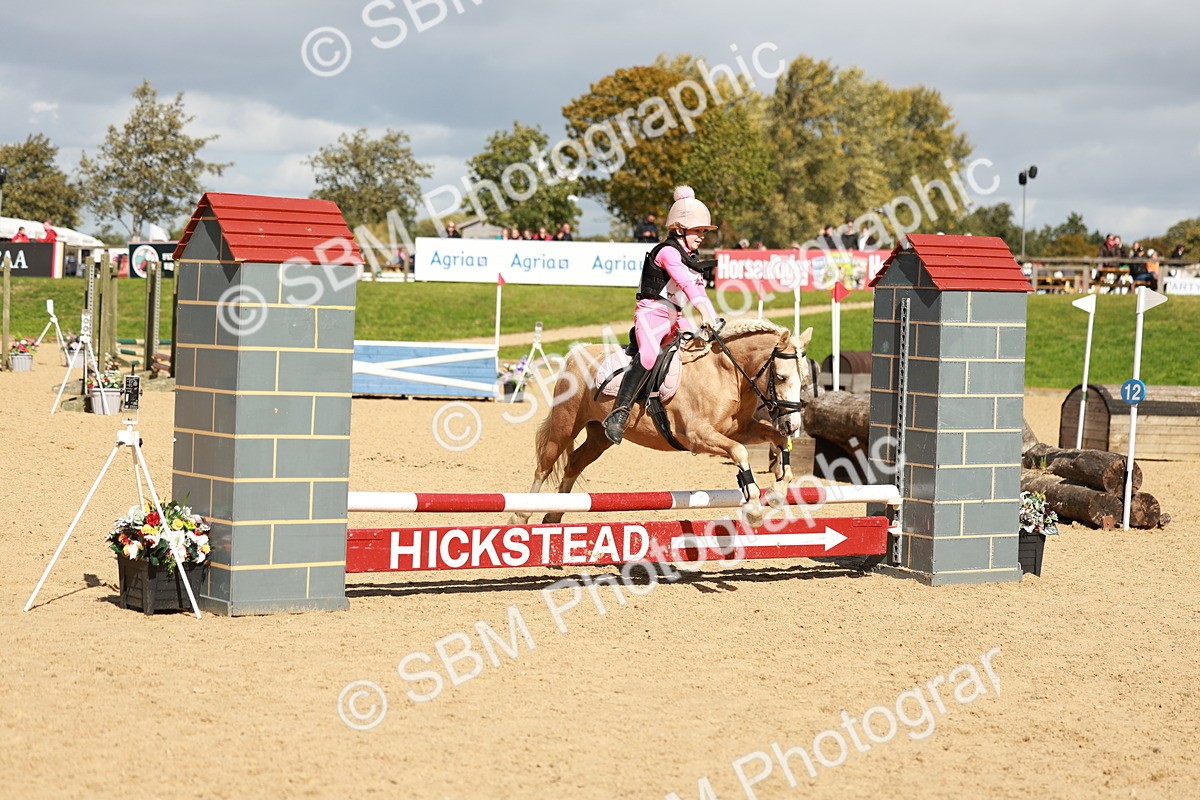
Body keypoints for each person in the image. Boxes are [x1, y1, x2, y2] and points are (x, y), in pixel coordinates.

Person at [603, 186, 720, 445]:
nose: (702, 237)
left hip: (675, 317)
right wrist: (702, 312)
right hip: (651, 314)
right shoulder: (667, 252)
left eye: (703, 232)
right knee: (647, 356)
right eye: (697, 231)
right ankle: (618, 414)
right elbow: (686, 286)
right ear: (679, 229)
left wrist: (714, 320)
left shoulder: (692, 258)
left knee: (700, 348)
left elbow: (699, 289)